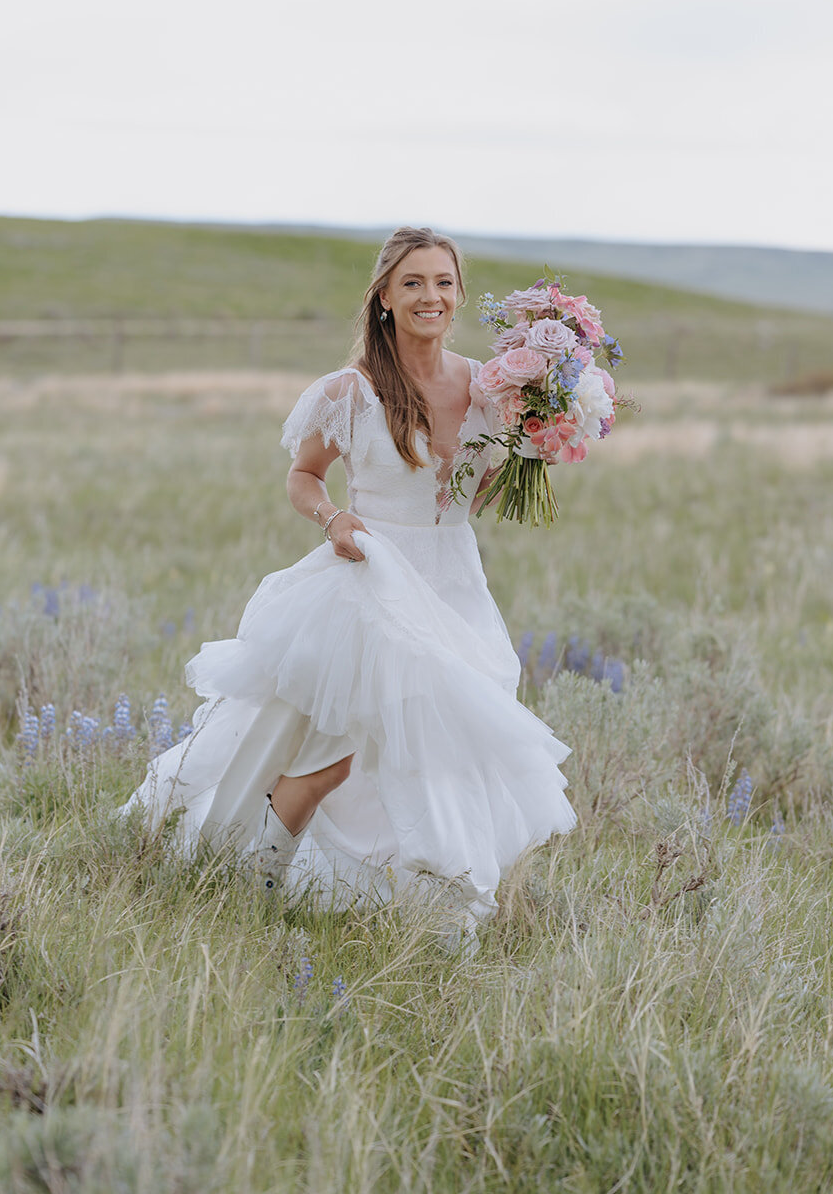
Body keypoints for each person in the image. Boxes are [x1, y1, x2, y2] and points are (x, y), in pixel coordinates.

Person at [124, 226, 576, 942]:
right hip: (367, 577)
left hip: (452, 583)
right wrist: (333, 518)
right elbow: (302, 476)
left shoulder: (488, 387)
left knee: (440, 745)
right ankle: (254, 874)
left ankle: (441, 902)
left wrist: (534, 445)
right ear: (385, 299)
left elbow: (471, 495)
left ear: (459, 295)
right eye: (413, 283)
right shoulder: (351, 390)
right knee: (327, 756)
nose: (431, 295)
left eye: (443, 282)